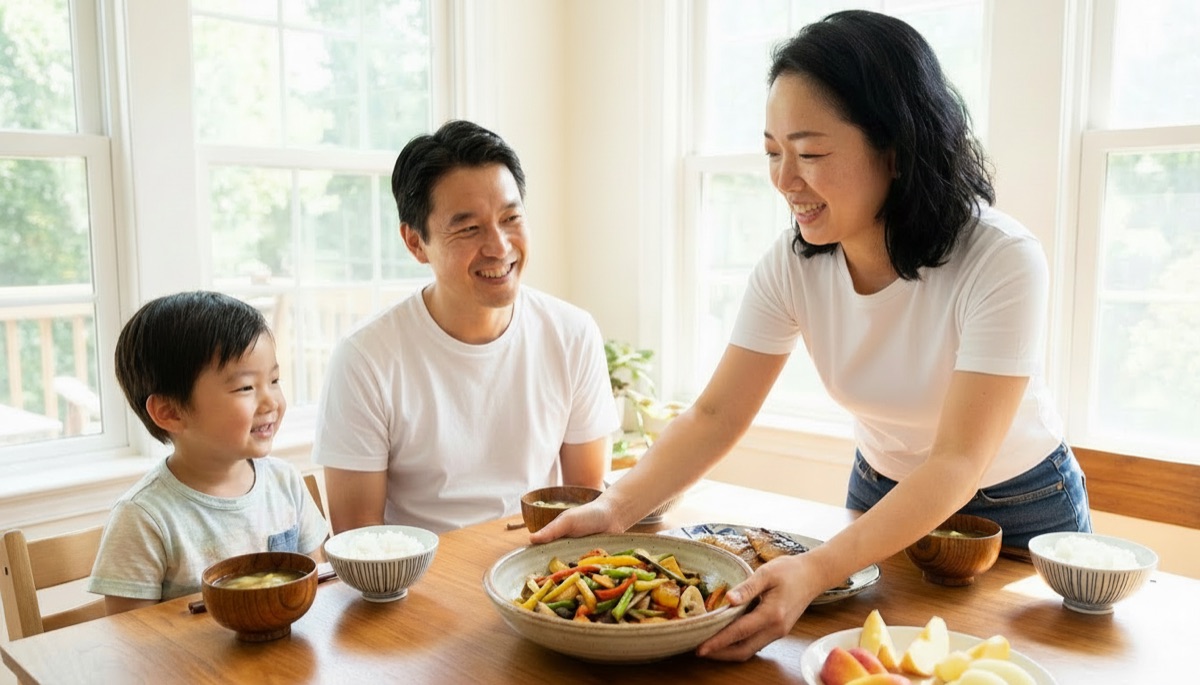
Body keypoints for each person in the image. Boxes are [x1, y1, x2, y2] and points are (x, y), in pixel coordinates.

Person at [532, 10, 1092, 660]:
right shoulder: (793, 262)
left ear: (896, 147)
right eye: (773, 152)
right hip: (880, 490)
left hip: (1016, 506)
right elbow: (716, 413)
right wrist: (616, 505)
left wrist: (820, 567)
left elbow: (957, 460)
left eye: (811, 153)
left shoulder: (1000, 257)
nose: (785, 180)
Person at [313, 119, 618, 535]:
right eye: (469, 228)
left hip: (539, 573)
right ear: (415, 243)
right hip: (421, 583)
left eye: (511, 218)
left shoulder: (572, 333)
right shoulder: (367, 358)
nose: (499, 247)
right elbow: (360, 539)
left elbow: (585, 502)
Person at [88, 291, 329, 615]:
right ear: (170, 412)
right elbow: (132, 643)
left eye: (274, 380)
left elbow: (319, 595)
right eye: (246, 387)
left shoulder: (284, 483)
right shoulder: (144, 518)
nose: (271, 401)